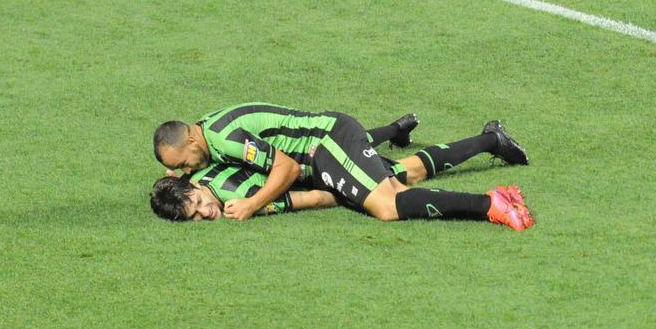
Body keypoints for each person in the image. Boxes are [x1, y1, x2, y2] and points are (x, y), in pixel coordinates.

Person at [153, 103, 532, 228]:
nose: (188, 168)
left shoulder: (228, 140)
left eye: (185, 162)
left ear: (190, 140)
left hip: (326, 144)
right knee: (404, 173)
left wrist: (252, 205)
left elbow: (283, 168)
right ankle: (491, 139)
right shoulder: (206, 134)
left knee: (387, 204)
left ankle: (491, 204)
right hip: (322, 153)